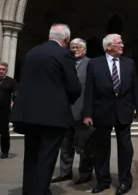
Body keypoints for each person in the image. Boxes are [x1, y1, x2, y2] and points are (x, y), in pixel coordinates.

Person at [10, 24, 81, 195]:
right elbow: (74, 87)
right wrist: (66, 101)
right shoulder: (64, 54)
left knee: (31, 156)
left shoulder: (32, 52)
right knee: (46, 158)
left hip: (29, 115)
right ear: (66, 39)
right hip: (52, 116)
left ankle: (29, 190)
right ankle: (39, 191)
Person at [83, 33, 138, 194]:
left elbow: (135, 88)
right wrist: (87, 114)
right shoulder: (95, 64)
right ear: (109, 46)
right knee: (101, 149)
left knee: (125, 148)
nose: (122, 45)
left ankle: (125, 181)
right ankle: (103, 181)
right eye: (119, 42)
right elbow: (89, 89)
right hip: (101, 111)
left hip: (124, 111)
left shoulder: (129, 63)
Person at [51, 38, 93, 185]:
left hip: (82, 112)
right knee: (65, 145)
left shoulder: (90, 65)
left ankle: (85, 173)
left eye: (78, 47)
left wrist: (88, 112)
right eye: (72, 47)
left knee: (83, 146)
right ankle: (65, 172)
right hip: (65, 112)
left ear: (85, 50)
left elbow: (91, 90)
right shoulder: (65, 64)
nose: (74, 50)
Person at [0, 62, 17, 159]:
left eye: (3, 69)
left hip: (4, 111)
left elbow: (15, 94)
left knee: (4, 132)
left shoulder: (11, 81)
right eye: (0, 69)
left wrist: (14, 103)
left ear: (6, 71)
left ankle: (5, 151)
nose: (1, 71)